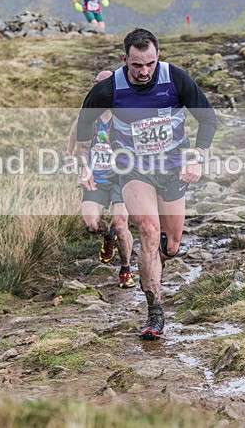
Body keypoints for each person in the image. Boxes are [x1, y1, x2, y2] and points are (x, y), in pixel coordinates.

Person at [75, 27, 217, 340]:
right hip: (133, 169)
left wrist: (198, 158)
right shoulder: (109, 89)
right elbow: (84, 127)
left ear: (158, 57)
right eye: (137, 65)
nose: (143, 71)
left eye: (149, 63)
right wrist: (83, 167)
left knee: (172, 244)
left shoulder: (175, 79)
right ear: (125, 60)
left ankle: (159, 256)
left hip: (172, 169)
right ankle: (155, 310)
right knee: (149, 232)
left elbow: (207, 118)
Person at [67, 70, 135, 288]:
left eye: (102, 84)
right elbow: (75, 130)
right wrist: (70, 156)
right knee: (90, 224)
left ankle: (125, 269)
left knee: (121, 223)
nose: (97, 87)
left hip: (122, 178)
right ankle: (108, 236)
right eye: (95, 83)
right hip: (95, 177)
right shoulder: (89, 112)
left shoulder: (125, 113)